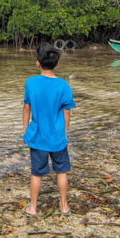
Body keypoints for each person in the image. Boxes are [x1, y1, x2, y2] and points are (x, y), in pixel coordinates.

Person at [22, 41, 76, 216]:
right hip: (57, 137)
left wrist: (25, 131)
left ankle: (33, 208)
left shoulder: (30, 82)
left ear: (38, 62)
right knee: (62, 171)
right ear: (57, 64)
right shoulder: (63, 85)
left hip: (38, 137)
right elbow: (67, 113)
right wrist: (65, 133)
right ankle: (64, 206)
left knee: (36, 174)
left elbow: (26, 109)